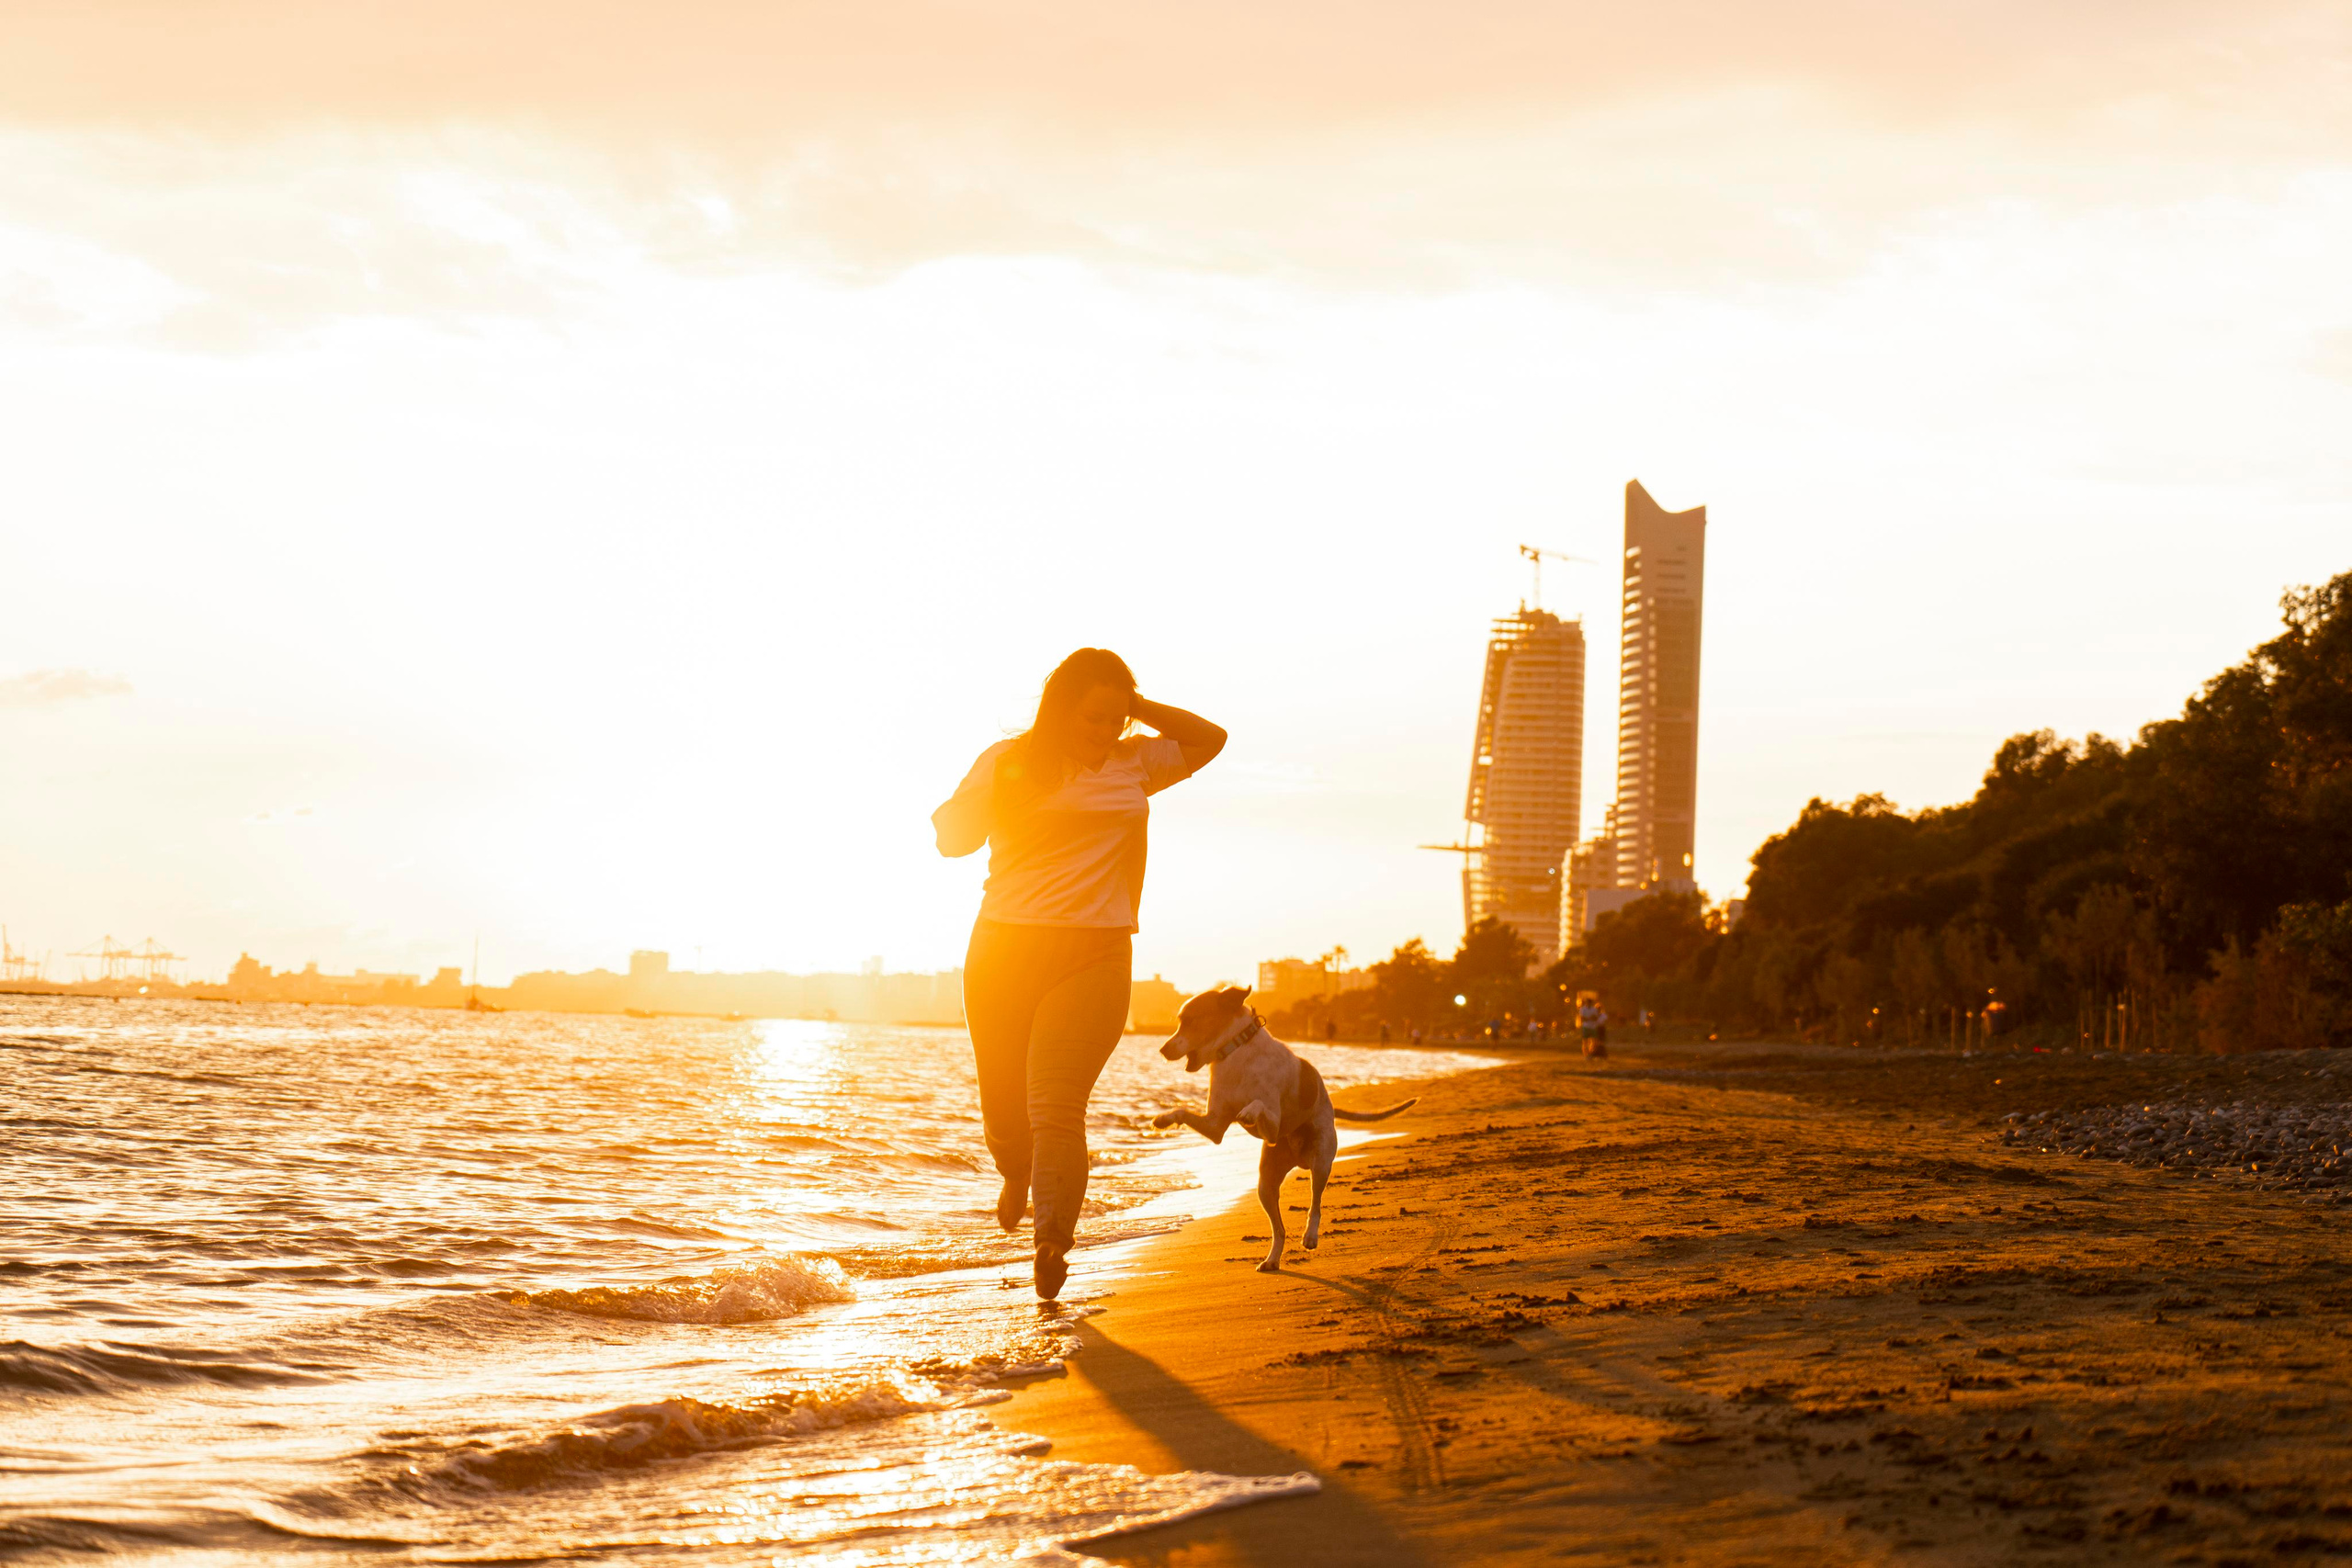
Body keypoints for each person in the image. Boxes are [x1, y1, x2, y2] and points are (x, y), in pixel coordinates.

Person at [932, 649, 1225, 1301]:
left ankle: (1052, 1240)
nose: (1105, 733)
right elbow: (952, 840)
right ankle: (1016, 1170)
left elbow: (1212, 738)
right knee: (1006, 1106)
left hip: (1095, 955)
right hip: (1004, 952)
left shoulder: (1138, 761)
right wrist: (980, 807)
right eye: (1094, 718)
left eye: (1117, 719)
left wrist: (1136, 706)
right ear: (1060, 709)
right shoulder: (1008, 760)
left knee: (1057, 1102)